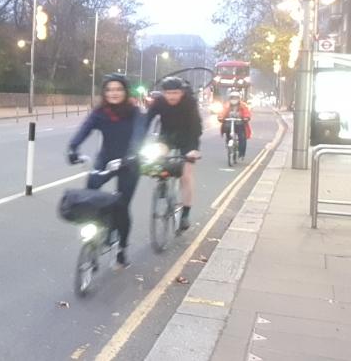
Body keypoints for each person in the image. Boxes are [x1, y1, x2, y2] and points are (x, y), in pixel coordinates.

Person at [67, 75, 144, 267]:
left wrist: (132, 155)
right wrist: (73, 148)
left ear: (125, 92)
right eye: (109, 89)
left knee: (122, 206)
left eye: (118, 89)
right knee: (90, 195)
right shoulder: (100, 112)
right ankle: (97, 231)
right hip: (107, 158)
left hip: (129, 162)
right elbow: (84, 130)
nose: (114, 93)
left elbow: (138, 136)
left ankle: (122, 248)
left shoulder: (135, 112)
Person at [145, 77, 203, 231]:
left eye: (175, 93)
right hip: (167, 136)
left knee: (186, 175)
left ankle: (185, 214)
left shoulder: (189, 102)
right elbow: (145, 121)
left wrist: (194, 149)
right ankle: (162, 181)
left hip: (188, 138)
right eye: (168, 93)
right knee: (156, 159)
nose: (171, 96)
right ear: (163, 93)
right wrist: (136, 142)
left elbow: (197, 127)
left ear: (182, 92)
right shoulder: (159, 102)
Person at [217, 91, 252, 159]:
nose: (234, 99)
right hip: (229, 124)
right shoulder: (227, 105)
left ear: (239, 99)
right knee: (227, 132)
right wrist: (220, 117)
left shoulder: (243, 105)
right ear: (230, 98)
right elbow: (222, 112)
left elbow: (246, 112)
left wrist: (246, 117)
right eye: (232, 98)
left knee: (242, 137)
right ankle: (228, 143)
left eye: (236, 98)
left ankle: (241, 153)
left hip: (240, 124)